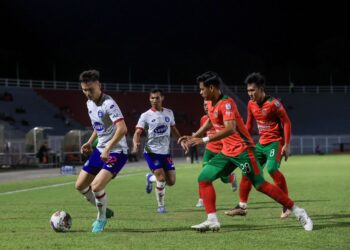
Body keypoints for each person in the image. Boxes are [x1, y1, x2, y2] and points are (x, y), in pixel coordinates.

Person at [179, 71, 312, 232]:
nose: (200, 92)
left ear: (212, 88)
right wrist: (194, 135)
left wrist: (204, 140)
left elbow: (230, 128)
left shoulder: (227, 103)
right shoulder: (210, 103)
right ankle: (212, 219)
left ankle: (299, 212)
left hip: (243, 150)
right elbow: (210, 122)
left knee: (260, 184)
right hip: (227, 151)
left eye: (202, 89)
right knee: (204, 178)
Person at [225, 72, 292, 219]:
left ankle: (286, 205)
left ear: (261, 89)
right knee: (247, 170)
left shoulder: (274, 104)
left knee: (272, 169)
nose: (250, 94)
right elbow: (248, 125)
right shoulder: (251, 104)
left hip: (275, 142)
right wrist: (243, 141)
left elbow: (286, 122)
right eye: (248, 90)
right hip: (261, 144)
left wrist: (286, 144)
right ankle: (242, 206)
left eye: (252, 90)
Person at [75, 69, 129, 233]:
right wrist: (90, 142)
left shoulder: (109, 104)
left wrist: (108, 148)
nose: (87, 93)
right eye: (84, 90)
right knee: (80, 185)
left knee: (96, 186)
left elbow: (122, 129)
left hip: (117, 151)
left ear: (99, 85)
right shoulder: (89, 103)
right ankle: (105, 209)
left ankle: (102, 217)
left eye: (90, 89)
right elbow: (98, 126)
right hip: (100, 149)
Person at [132, 89, 184, 213]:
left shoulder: (169, 113)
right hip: (151, 152)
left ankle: (150, 178)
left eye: (157, 98)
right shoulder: (145, 115)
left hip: (165, 153)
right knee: (161, 178)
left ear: (162, 98)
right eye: (152, 98)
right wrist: (135, 143)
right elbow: (137, 132)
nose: (155, 100)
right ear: (149, 99)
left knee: (171, 181)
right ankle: (161, 206)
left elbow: (174, 129)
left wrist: (181, 140)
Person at [195, 100, 237, 208]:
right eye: (204, 105)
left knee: (224, 178)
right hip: (209, 150)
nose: (205, 107)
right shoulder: (203, 119)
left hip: (222, 150)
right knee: (204, 173)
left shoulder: (221, 116)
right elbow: (203, 134)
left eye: (207, 105)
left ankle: (231, 178)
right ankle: (201, 199)